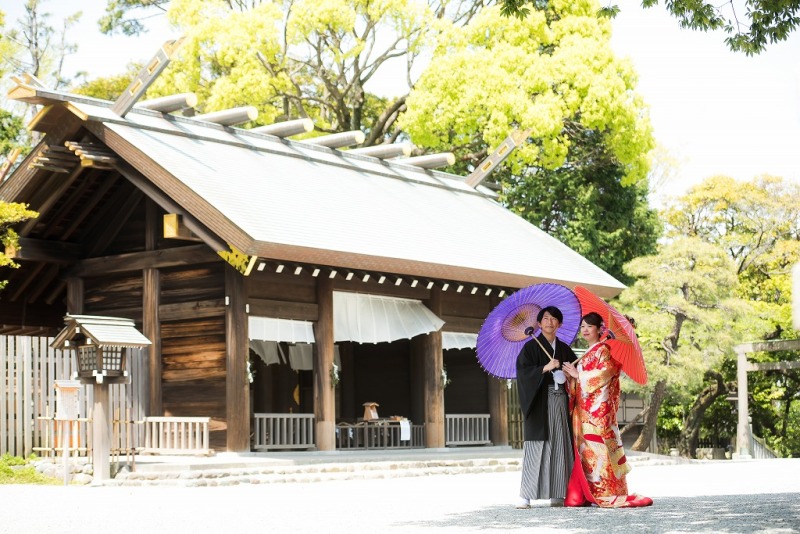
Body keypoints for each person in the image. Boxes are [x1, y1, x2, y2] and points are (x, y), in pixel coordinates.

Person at [561, 312, 653, 508]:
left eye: (589, 326)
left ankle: (608, 491)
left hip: (598, 413)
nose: (584, 330)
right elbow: (580, 380)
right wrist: (571, 377)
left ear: (599, 329)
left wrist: (578, 374)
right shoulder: (589, 352)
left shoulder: (604, 350)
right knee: (587, 452)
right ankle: (591, 490)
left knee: (600, 449)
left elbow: (606, 374)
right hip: (584, 410)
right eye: (582, 326)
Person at [515, 306, 576, 509]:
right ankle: (526, 496)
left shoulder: (565, 349)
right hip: (539, 401)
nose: (550, 322)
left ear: (559, 324)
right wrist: (544, 368)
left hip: (560, 401)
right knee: (537, 448)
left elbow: (576, 372)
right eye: (546, 319)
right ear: (539, 324)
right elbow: (523, 374)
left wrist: (569, 374)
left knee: (559, 445)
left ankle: (558, 494)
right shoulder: (530, 348)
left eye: (554, 319)